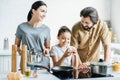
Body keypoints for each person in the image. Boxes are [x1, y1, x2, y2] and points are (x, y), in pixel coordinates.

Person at [70, 7, 111, 77]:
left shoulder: (102, 25)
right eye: (82, 21)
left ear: (94, 22)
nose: (83, 24)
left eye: (87, 23)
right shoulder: (75, 28)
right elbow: (74, 50)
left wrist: (105, 66)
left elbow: (106, 45)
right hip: (78, 63)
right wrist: (81, 65)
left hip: (94, 65)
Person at [15, 0, 51, 67]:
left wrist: (47, 50)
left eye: (45, 12)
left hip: (43, 64)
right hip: (26, 64)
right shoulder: (21, 27)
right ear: (33, 11)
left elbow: (48, 47)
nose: (44, 15)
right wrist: (19, 50)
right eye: (42, 11)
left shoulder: (46, 29)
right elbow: (16, 46)